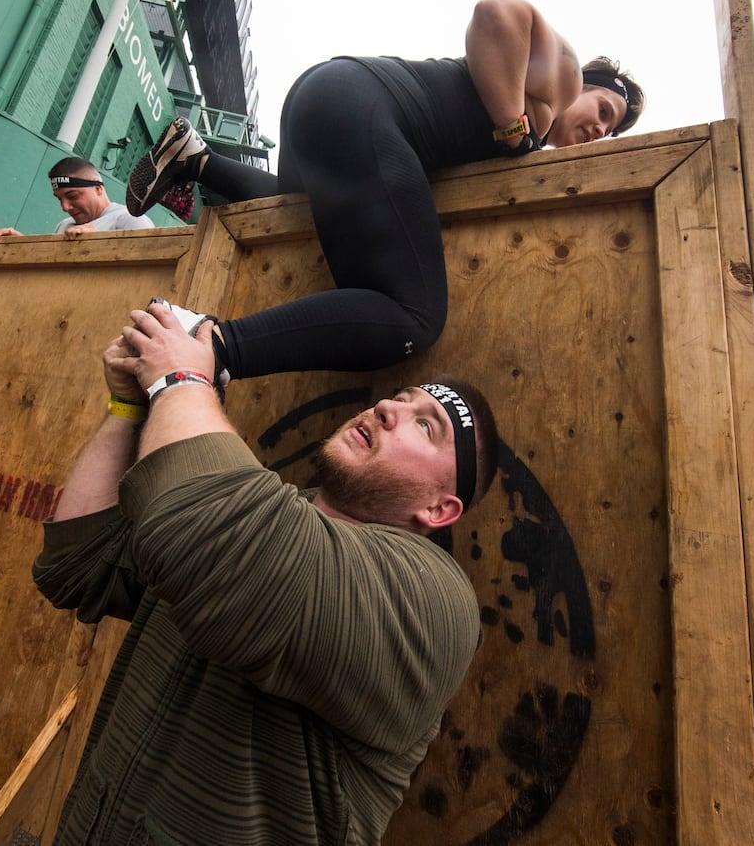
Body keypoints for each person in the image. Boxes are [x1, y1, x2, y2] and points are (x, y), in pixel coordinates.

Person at [32, 301, 498, 843]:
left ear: (440, 511)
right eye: (399, 398)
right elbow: (78, 565)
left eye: (427, 426)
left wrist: (181, 378)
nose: (387, 410)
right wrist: (129, 406)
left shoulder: (435, 601)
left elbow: (231, 549)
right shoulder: (258, 510)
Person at [119, 0, 644, 386]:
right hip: (363, 108)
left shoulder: (537, 130)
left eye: (612, 130)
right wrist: (512, 130)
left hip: (326, 100)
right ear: (589, 88)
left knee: (296, 211)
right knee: (416, 317)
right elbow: (496, 13)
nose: (601, 130)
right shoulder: (563, 80)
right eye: (603, 111)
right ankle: (214, 347)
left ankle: (196, 159)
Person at [0, 157, 153, 244]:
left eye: (72, 196)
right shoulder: (64, 226)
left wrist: (98, 243)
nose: (65, 207)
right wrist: (19, 243)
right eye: (59, 199)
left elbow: (153, 267)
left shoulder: (128, 219)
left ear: (98, 189)